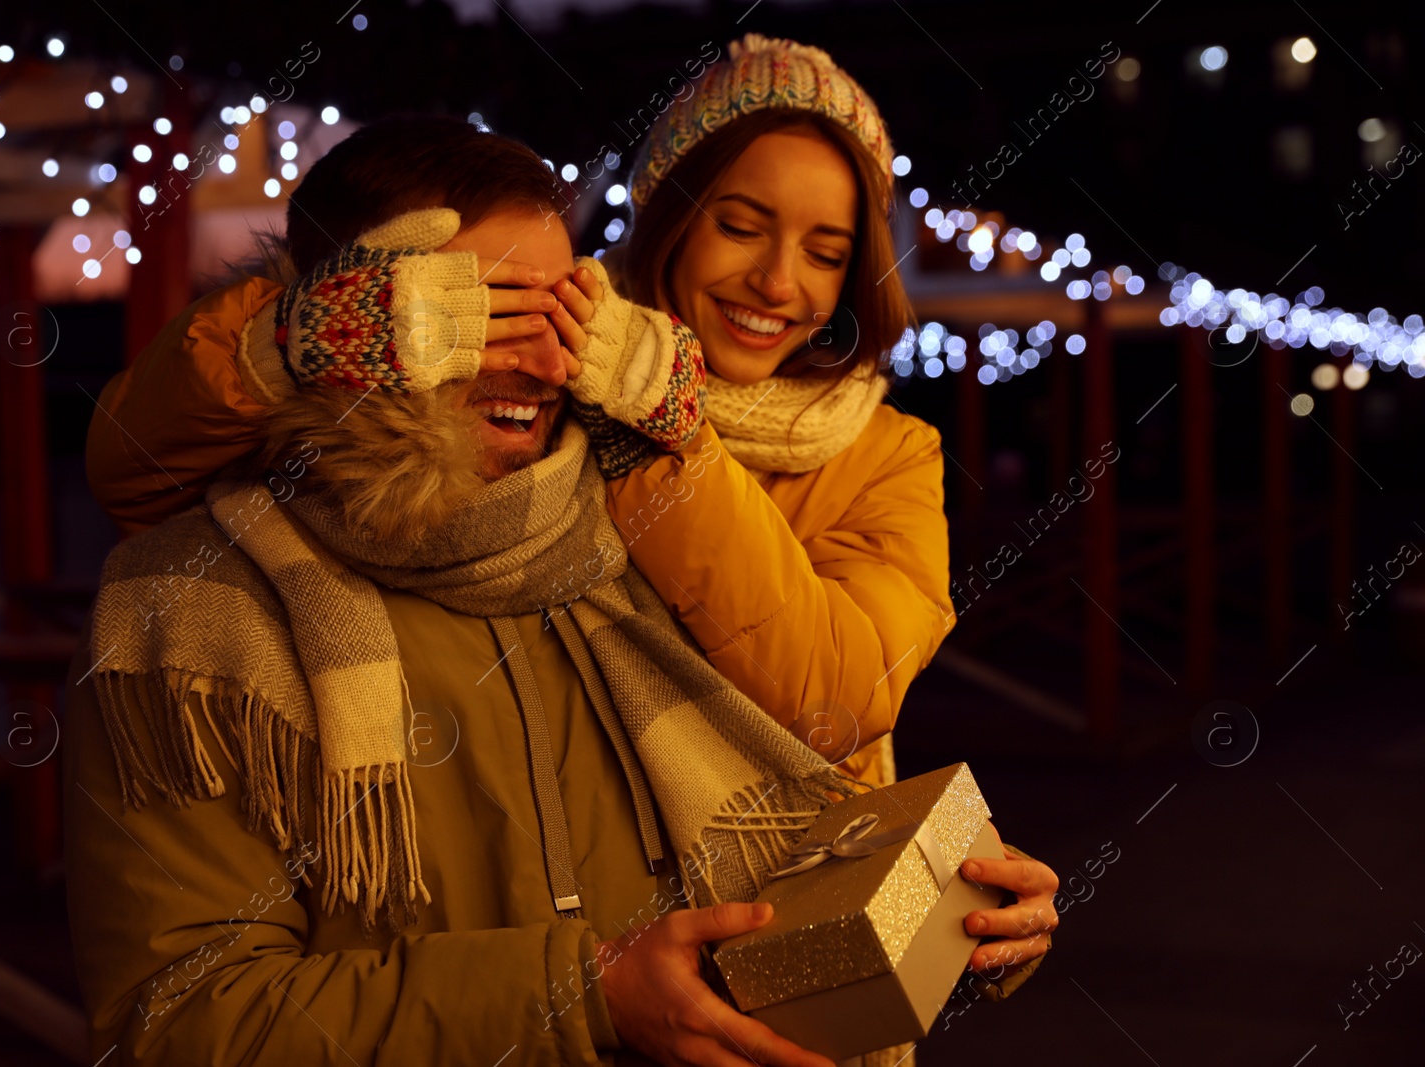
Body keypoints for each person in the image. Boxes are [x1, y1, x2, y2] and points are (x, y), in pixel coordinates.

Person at [84, 34, 1060, 1048]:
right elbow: (129, 463)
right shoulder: (546, 424)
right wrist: (290, 339)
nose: (779, 282)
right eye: (738, 223)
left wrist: (957, 897)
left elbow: (830, 706)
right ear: (664, 223)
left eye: (826, 252)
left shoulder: (869, 451)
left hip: (786, 968)